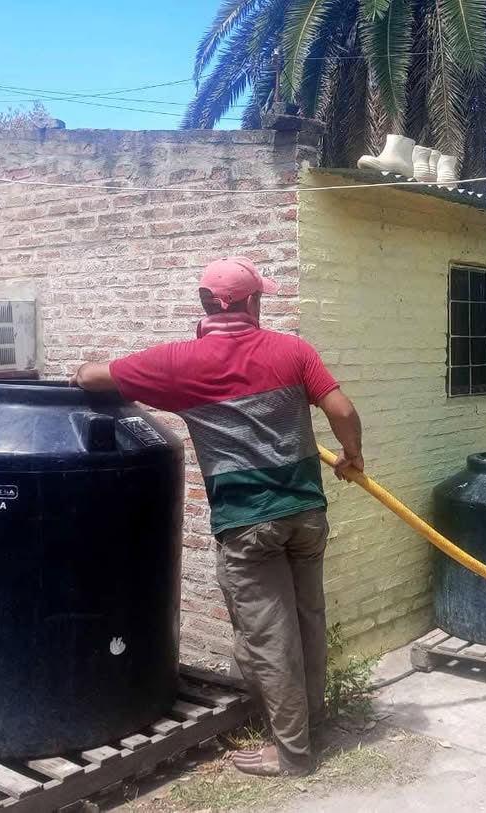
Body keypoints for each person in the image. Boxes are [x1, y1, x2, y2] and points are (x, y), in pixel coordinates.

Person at [71, 256, 364, 777]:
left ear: (207, 304)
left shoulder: (181, 363)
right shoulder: (293, 350)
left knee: (269, 636)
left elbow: (89, 377)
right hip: (305, 515)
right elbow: (342, 411)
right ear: (252, 303)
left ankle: (294, 752)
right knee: (306, 620)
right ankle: (309, 719)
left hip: (248, 523)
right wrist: (351, 456)